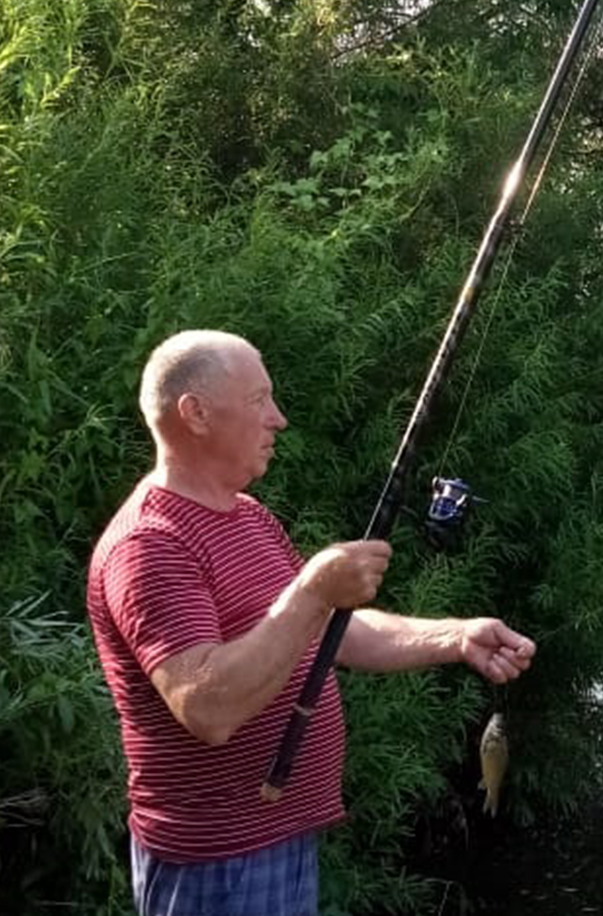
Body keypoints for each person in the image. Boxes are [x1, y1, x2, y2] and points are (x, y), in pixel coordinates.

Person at [87, 330, 536, 916]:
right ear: (194, 414)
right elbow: (207, 708)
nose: (279, 418)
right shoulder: (151, 544)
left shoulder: (247, 517)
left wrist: (454, 637)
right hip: (216, 864)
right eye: (259, 401)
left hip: (277, 839)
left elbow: (328, 632)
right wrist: (311, 588)